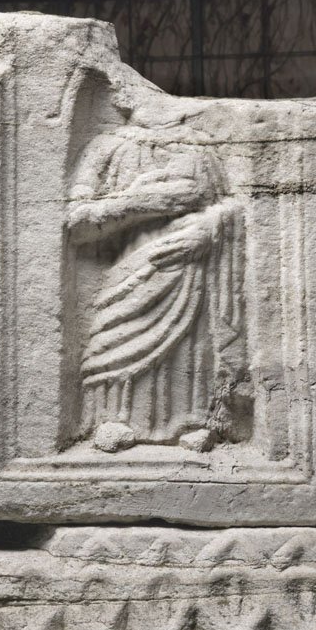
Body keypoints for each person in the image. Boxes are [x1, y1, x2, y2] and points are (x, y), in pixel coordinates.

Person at [68, 128, 244, 452]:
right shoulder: (106, 147)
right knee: (116, 341)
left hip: (189, 267)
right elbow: (77, 223)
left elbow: (234, 207)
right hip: (131, 268)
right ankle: (111, 418)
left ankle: (191, 420)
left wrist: (210, 231)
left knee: (189, 342)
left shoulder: (198, 144)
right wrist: (147, 200)